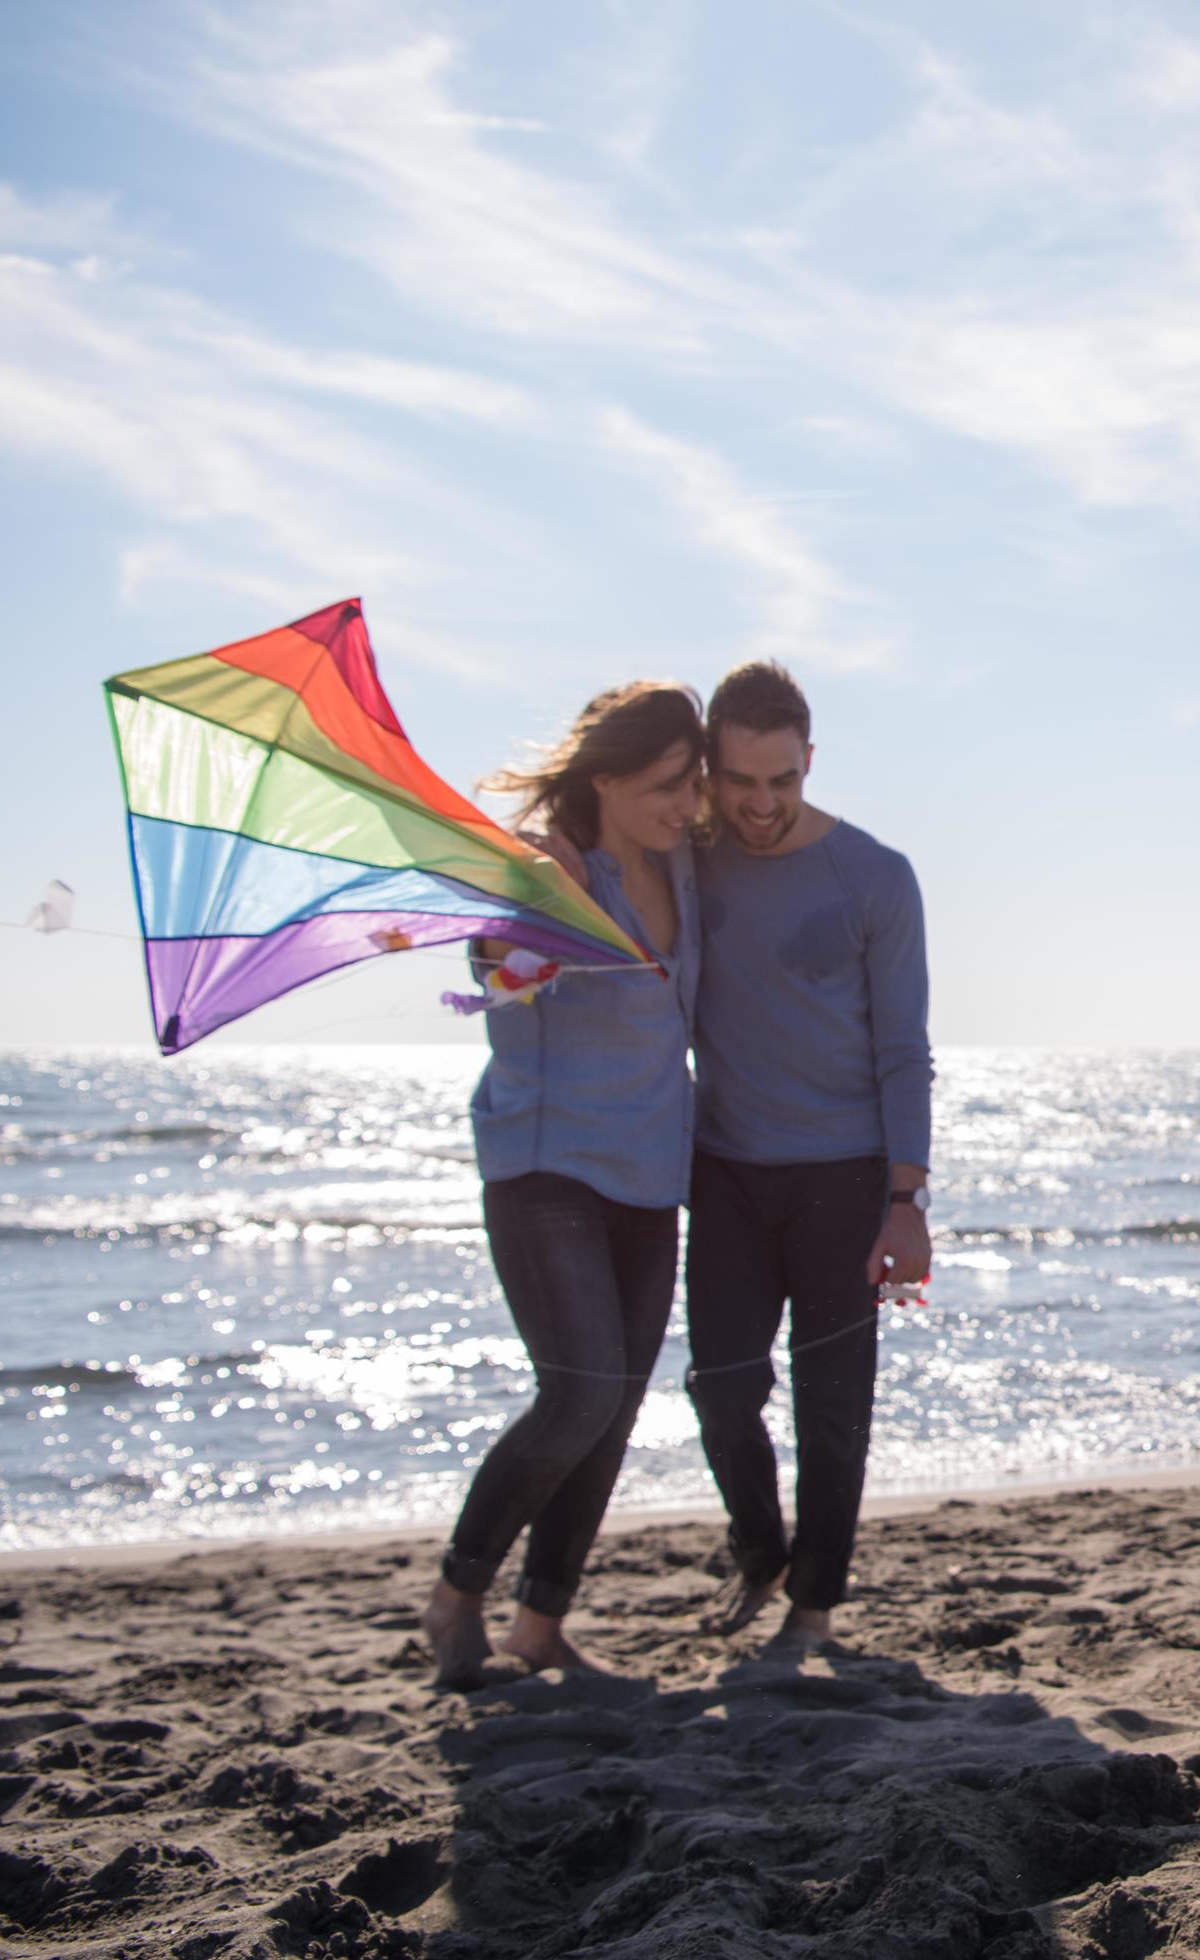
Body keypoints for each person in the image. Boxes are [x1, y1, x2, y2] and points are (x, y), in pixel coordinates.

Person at [421, 682, 705, 1690]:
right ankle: (457, 1596)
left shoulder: (684, 867)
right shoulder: (543, 868)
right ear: (609, 777)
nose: (686, 802)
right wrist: (516, 943)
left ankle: (539, 1627)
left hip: (650, 1175)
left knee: (615, 1407)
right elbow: (496, 957)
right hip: (548, 1169)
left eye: (693, 782)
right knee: (580, 1390)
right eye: (670, 783)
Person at [681, 661, 934, 1653]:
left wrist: (906, 1197)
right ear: (711, 770)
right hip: (727, 1172)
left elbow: (903, 1049)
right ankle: (759, 1548)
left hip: (844, 1177)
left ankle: (814, 1604)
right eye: (740, 781)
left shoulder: (876, 875)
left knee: (834, 1407)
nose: (760, 803)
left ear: (810, 761)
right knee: (721, 1387)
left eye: (781, 780)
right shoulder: (688, 858)